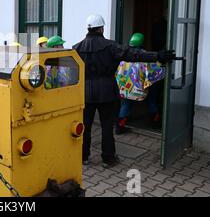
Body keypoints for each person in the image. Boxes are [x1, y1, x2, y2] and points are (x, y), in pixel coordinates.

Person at [73, 14, 175, 168]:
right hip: (107, 92)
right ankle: (108, 158)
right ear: (101, 28)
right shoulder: (110, 46)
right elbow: (133, 54)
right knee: (107, 127)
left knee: (85, 127)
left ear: (88, 28)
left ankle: (83, 157)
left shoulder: (76, 48)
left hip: (84, 93)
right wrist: (157, 56)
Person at [116, 33, 166, 134]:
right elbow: (154, 71)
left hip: (125, 87)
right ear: (142, 43)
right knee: (152, 99)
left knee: (125, 104)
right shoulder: (145, 55)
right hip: (141, 87)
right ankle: (155, 121)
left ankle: (120, 126)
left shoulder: (123, 54)